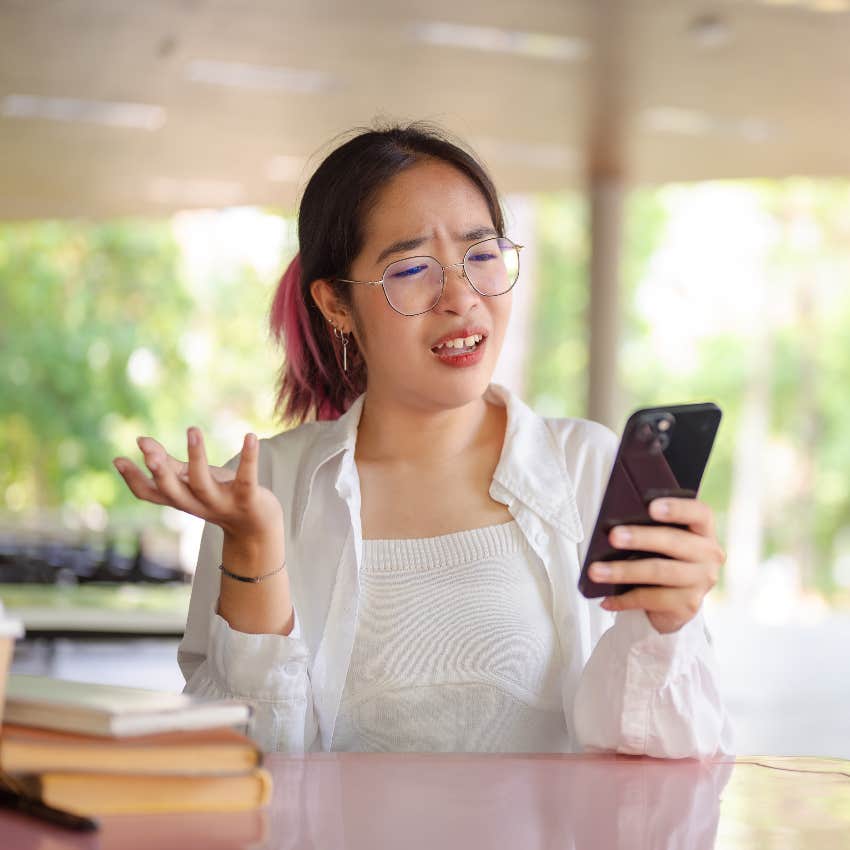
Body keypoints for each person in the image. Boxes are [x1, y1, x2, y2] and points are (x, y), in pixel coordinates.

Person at [113, 123, 733, 757]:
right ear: (335, 304)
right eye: (411, 268)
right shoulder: (261, 489)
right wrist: (253, 551)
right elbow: (246, 766)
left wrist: (668, 624)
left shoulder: (586, 467)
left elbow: (667, 763)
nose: (461, 296)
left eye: (483, 254)